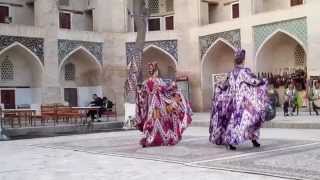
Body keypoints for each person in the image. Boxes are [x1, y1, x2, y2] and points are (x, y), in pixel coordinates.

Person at [209, 49, 270, 150]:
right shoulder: (244, 72)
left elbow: (224, 86)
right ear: (243, 60)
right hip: (244, 102)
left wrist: (218, 89)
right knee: (251, 118)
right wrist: (263, 81)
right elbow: (253, 81)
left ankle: (235, 142)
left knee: (235, 121)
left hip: (233, 102)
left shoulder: (231, 73)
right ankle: (250, 140)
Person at [135, 62, 192, 147]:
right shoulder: (159, 81)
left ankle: (151, 138)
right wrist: (174, 87)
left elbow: (142, 95)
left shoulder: (145, 83)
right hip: (160, 105)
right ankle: (162, 138)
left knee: (153, 120)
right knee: (162, 120)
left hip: (151, 106)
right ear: (156, 71)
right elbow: (166, 90)